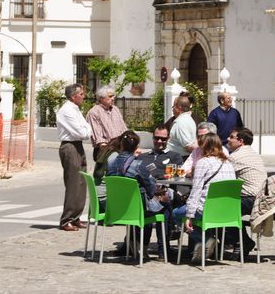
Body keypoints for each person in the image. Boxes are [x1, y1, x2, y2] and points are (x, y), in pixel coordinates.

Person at [106, 129, 174, 259]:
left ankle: (138, 243)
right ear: (136, 147)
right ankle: (163, 250)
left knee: (147, 202)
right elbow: (151, 190)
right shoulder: (138, 165)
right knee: (165, 202)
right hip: (137, 210)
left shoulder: (110, 163)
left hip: (116, 209)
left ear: (121, 145)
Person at [173, 132, 236, 262]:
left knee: (176, 213)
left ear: (205, 147)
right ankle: (204, 243)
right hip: (228, 211)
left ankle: (206, 239)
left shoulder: (203, 163)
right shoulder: (229, 163)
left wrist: (189, 216)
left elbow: (195, 191)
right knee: (193, 212)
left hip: (207, 209)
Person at [56, 83, 92, 231]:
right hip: (70, 146)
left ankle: (76, 216)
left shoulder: (76, 110)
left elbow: (87, 128)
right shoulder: (66, 111)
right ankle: (67, 219)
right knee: (73, 183)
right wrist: (86, 130)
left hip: (78, 145)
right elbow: (82, 132)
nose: (84, 96)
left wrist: (86, 130)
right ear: (73, 96)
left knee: (82, 182)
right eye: (81, 94)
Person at [226, 127, 264, 257]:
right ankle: (237, 242)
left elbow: (222, 176)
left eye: (231, 137)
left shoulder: (235, 157)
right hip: (262, 199)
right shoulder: (254, 153)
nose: (228, 139)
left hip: (251, 199)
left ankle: (243, 242)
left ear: (240, 141)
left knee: (223, 209)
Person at [86, 86, 128, 182]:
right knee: (110, 180)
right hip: (107, 151)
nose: (113, 98)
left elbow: (124, 129)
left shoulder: (115, 109)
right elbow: (100, 140)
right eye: (110, 96)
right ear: (101, 98)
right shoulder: (94, 113)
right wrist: (112, 153)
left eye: (113, 96)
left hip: (121, 149)